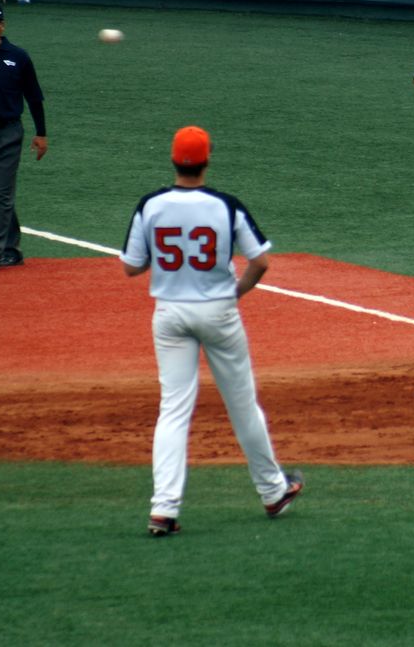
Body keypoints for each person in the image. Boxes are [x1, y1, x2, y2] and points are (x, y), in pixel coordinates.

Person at [120, 126, 302, 536]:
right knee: (242, 405)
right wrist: (235, 292)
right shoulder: (225, 206)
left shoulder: (151, 205)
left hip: (170, 315)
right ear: (207, 160)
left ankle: (163, 509)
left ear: (173, 159)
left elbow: (131, 266)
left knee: (173, 409)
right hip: (218, 312)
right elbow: (261, 262)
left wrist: (164, 258)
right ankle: (273, 491)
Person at [0, 2, 47, 272]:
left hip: (8, 133)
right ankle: (11, 249)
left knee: (1, 194)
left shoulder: (18, 57)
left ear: (3, 26)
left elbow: (34, 97)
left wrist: (41, 133)